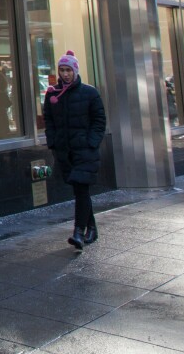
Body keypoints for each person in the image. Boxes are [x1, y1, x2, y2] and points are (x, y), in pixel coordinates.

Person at [43, 50, 106, 250]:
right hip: (64, 151)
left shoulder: (89, 93)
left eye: (68, 70)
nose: (65, 74)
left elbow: (99, 120)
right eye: (62, 70)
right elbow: (49, 120)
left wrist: (91, 142)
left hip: (84, 150)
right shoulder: (52, 94)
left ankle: (78, 232)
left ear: (75, 70)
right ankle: (92, 229)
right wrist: (53, 142)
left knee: (80, 188)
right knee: (80, 190)